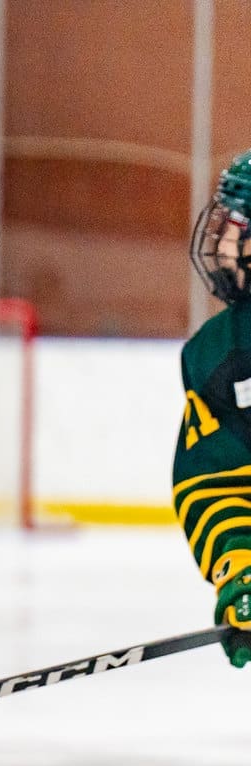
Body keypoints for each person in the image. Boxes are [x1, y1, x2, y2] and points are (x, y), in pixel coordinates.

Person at [180, 152, 251, 670]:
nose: (223, 246)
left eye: (238, 227)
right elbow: (214, 482)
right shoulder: (222, 353)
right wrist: (242, 566)